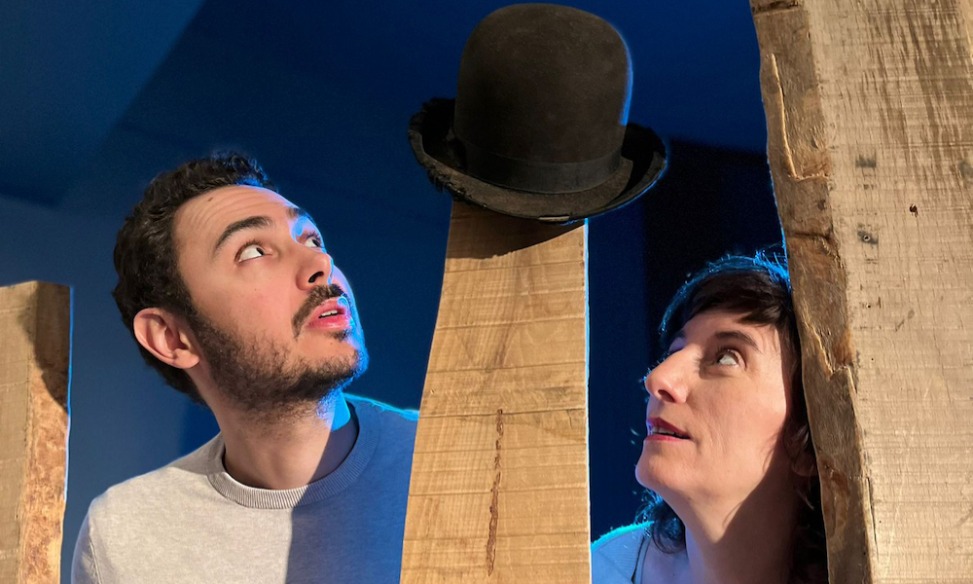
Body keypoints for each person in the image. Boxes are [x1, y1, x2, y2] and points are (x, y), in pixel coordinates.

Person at [72, 152, 417, 583]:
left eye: (312, 240)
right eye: (254, 251)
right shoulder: (126, 533)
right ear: (172, 338)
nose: (320, 265)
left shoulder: (451, 461)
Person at [591, 252, 828, 584]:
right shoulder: (600, 570)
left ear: (809, 435)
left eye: (726, 358)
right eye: (674, 352)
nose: (658, 378)